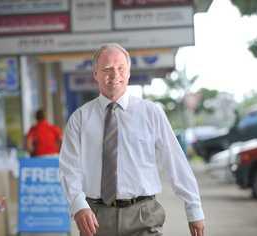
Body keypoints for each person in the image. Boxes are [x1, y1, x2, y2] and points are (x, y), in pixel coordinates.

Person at [59, 43, 205, 236]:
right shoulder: (80, 118)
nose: (115, 75)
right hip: (95, 217)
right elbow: (69, 167)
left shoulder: (151, 112)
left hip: (144, 214)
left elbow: (174, 160)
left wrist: (193, 207)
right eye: (107, 69)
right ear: (95, 73)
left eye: (121, 69)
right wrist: (78, 205)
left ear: (128, 73)